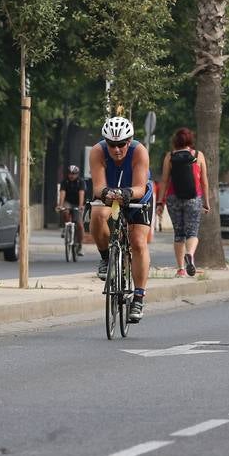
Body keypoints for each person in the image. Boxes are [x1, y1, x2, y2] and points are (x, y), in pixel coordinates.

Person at [90, 116, 153, 323]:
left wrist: (126, 193)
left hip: (136, 195)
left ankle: (138, 297)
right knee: (98, 216)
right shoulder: (97, 152)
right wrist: (107, 192)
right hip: (109, 193)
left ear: (129, 141)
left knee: (137, 242)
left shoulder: (139, 151)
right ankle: (107, 257)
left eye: (121, 144)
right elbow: (98, 187)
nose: (117, 150)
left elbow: (140, 187)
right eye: (111, 144)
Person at [157, 128, 210, 277]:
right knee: (192, 232)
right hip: (194, 198)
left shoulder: (170, 156)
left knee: (178, 234)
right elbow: (204, 182)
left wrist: (160, 202)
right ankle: (190, 255)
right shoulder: (198, 156)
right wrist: (206, 202)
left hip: (173, 198)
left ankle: (181, 269)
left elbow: (164, 180)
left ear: (176, 140)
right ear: (190, 140)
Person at [56, 164, 85, 255]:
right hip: (68, 202)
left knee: (80, 225)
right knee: (65, 211)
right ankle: (66, 227)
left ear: (77, 174)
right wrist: (60, 205)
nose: (71, 175)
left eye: (74, 173)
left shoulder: (81, 182)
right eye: (70, 173)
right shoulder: (65, 182)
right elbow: (62, 194)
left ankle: (79, 245)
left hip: (77, 203)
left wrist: (80, 206)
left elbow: (81, 194)